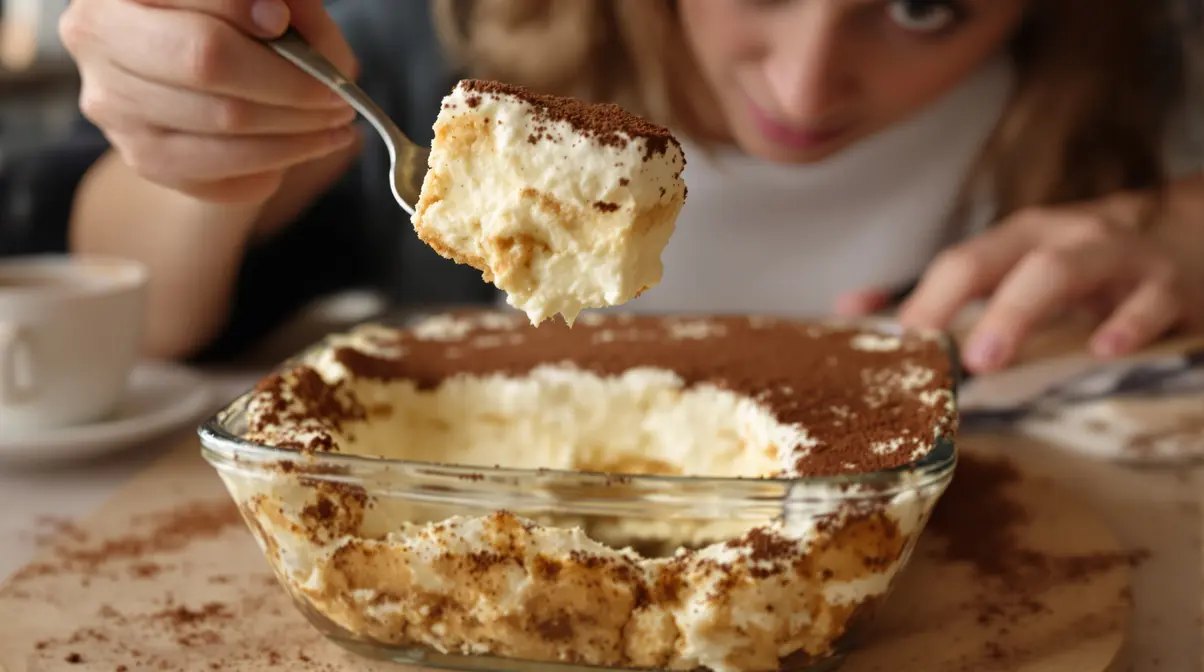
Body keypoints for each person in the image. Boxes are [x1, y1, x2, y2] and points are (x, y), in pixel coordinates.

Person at [13, 0, 1204, 373]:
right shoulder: (432, 35)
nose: (805, 79)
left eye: (921, 6)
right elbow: (133, 305)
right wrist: (213, 151)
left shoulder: (1138, 77)